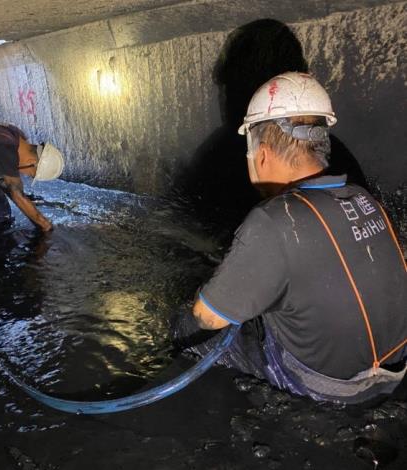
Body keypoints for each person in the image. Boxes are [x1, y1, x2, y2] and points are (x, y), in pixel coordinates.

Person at [172, 72, 407, 404]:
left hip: (332, 388)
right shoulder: (363, 198)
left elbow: (206, 317)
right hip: (395, 371)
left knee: (188, 327)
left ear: (262, 154)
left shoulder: (274, 219)